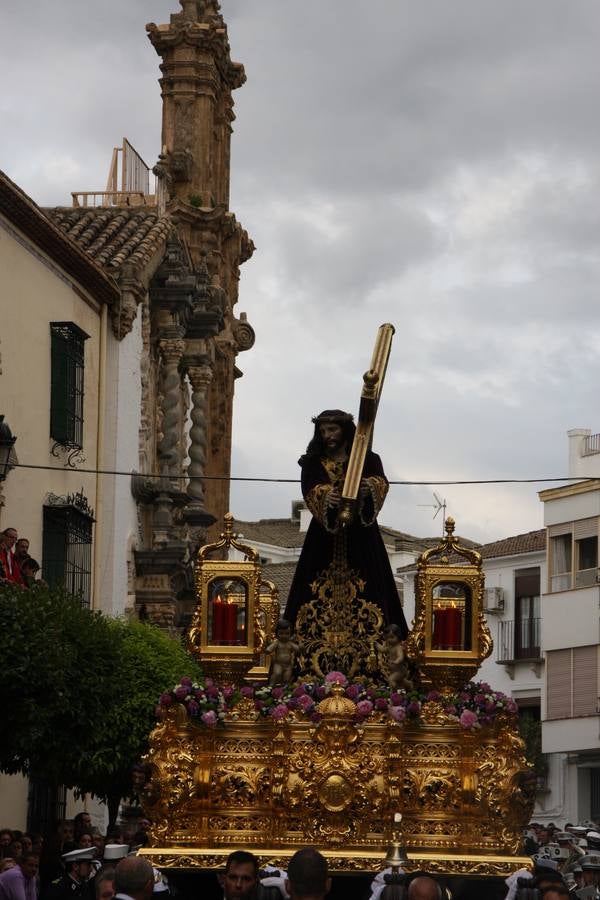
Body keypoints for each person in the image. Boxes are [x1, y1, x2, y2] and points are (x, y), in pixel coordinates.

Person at [284, 410, 407, 634]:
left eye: (332, 429)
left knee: (371, 588)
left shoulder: (367, 460)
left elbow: (381, 482)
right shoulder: (313, 463)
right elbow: (310, 490)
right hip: (323, 537)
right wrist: (325, 495)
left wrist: (368, 487)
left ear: (345, 430)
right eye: (322, 431)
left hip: (362, 534)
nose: (327, 435)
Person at [266, 620, 300, 686]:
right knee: (277, 674)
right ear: (277, 634)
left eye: (287, 633)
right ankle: (271, 685)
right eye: (281, 633)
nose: (284, 636)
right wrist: (268, 650)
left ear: (290, 634)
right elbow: (269, 649)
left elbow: (297, 649)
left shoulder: (290, 643)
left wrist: (301, 647)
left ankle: (284, 691)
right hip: (278, 664)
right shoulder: (277, 643)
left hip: (288, 665)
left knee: (287, 678)